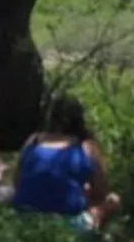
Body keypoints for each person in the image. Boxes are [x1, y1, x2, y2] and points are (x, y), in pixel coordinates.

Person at [12, 95, 121, 233]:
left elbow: (17, 182)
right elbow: (102, 192)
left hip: (25, 219)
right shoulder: (86, 147)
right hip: (69, 223)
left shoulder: (33, 141)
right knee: (112, 200)